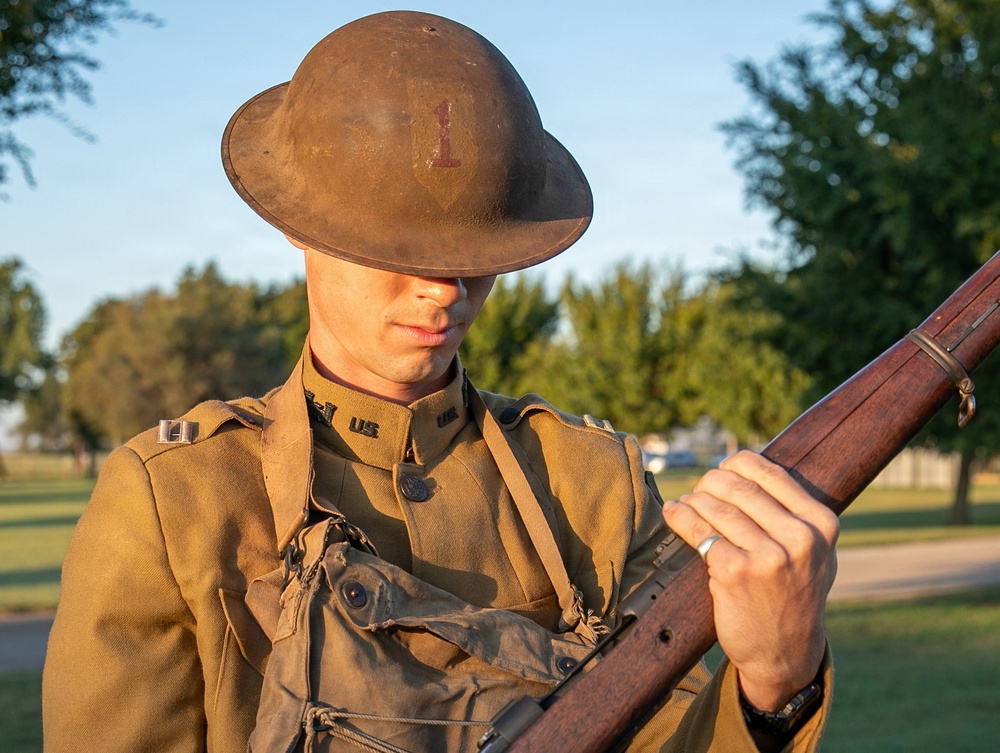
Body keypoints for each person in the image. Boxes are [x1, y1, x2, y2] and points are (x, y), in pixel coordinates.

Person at [42, 10, 837, 753]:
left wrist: (774, 686)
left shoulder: (596, 485)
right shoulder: (176, 502)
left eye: (474, 251)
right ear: (298, 223)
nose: (446, 288)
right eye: (404, 247)